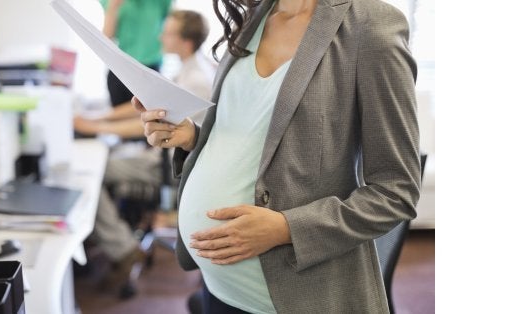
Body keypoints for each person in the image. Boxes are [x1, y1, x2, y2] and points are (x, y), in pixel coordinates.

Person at [133, 0, 421, 313]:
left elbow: (397, 191)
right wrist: (192, 136)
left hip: (293, 298)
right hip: (218, 288)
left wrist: (286, 228)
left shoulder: (371, 25)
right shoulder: (255, 16)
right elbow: (254, 132)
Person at [74, 8, 215, 297]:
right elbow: (149, 104)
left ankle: (123, 249)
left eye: (168, 31)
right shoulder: (188, 67)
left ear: (185, 41)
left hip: (167, 165)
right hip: (159, 159)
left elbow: (149, 125)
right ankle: (118, 243)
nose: (160, 35)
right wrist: (102, 116)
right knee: (101, 162)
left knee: (91, 172)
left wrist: (93, 126)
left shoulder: (196, 78)